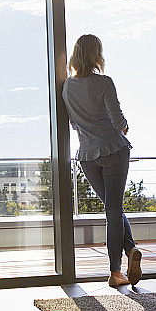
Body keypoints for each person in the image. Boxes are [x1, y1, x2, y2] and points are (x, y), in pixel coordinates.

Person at [62, 34, 142, 288]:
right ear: (97, 55)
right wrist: (125, 126)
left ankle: (129, 253)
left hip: (86, 155)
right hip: (113, 149)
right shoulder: (104, 82)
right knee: (114, 209)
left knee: (112, 208)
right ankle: (115, 270)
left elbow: (73, 123)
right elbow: (118, 119)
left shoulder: (67, 87)